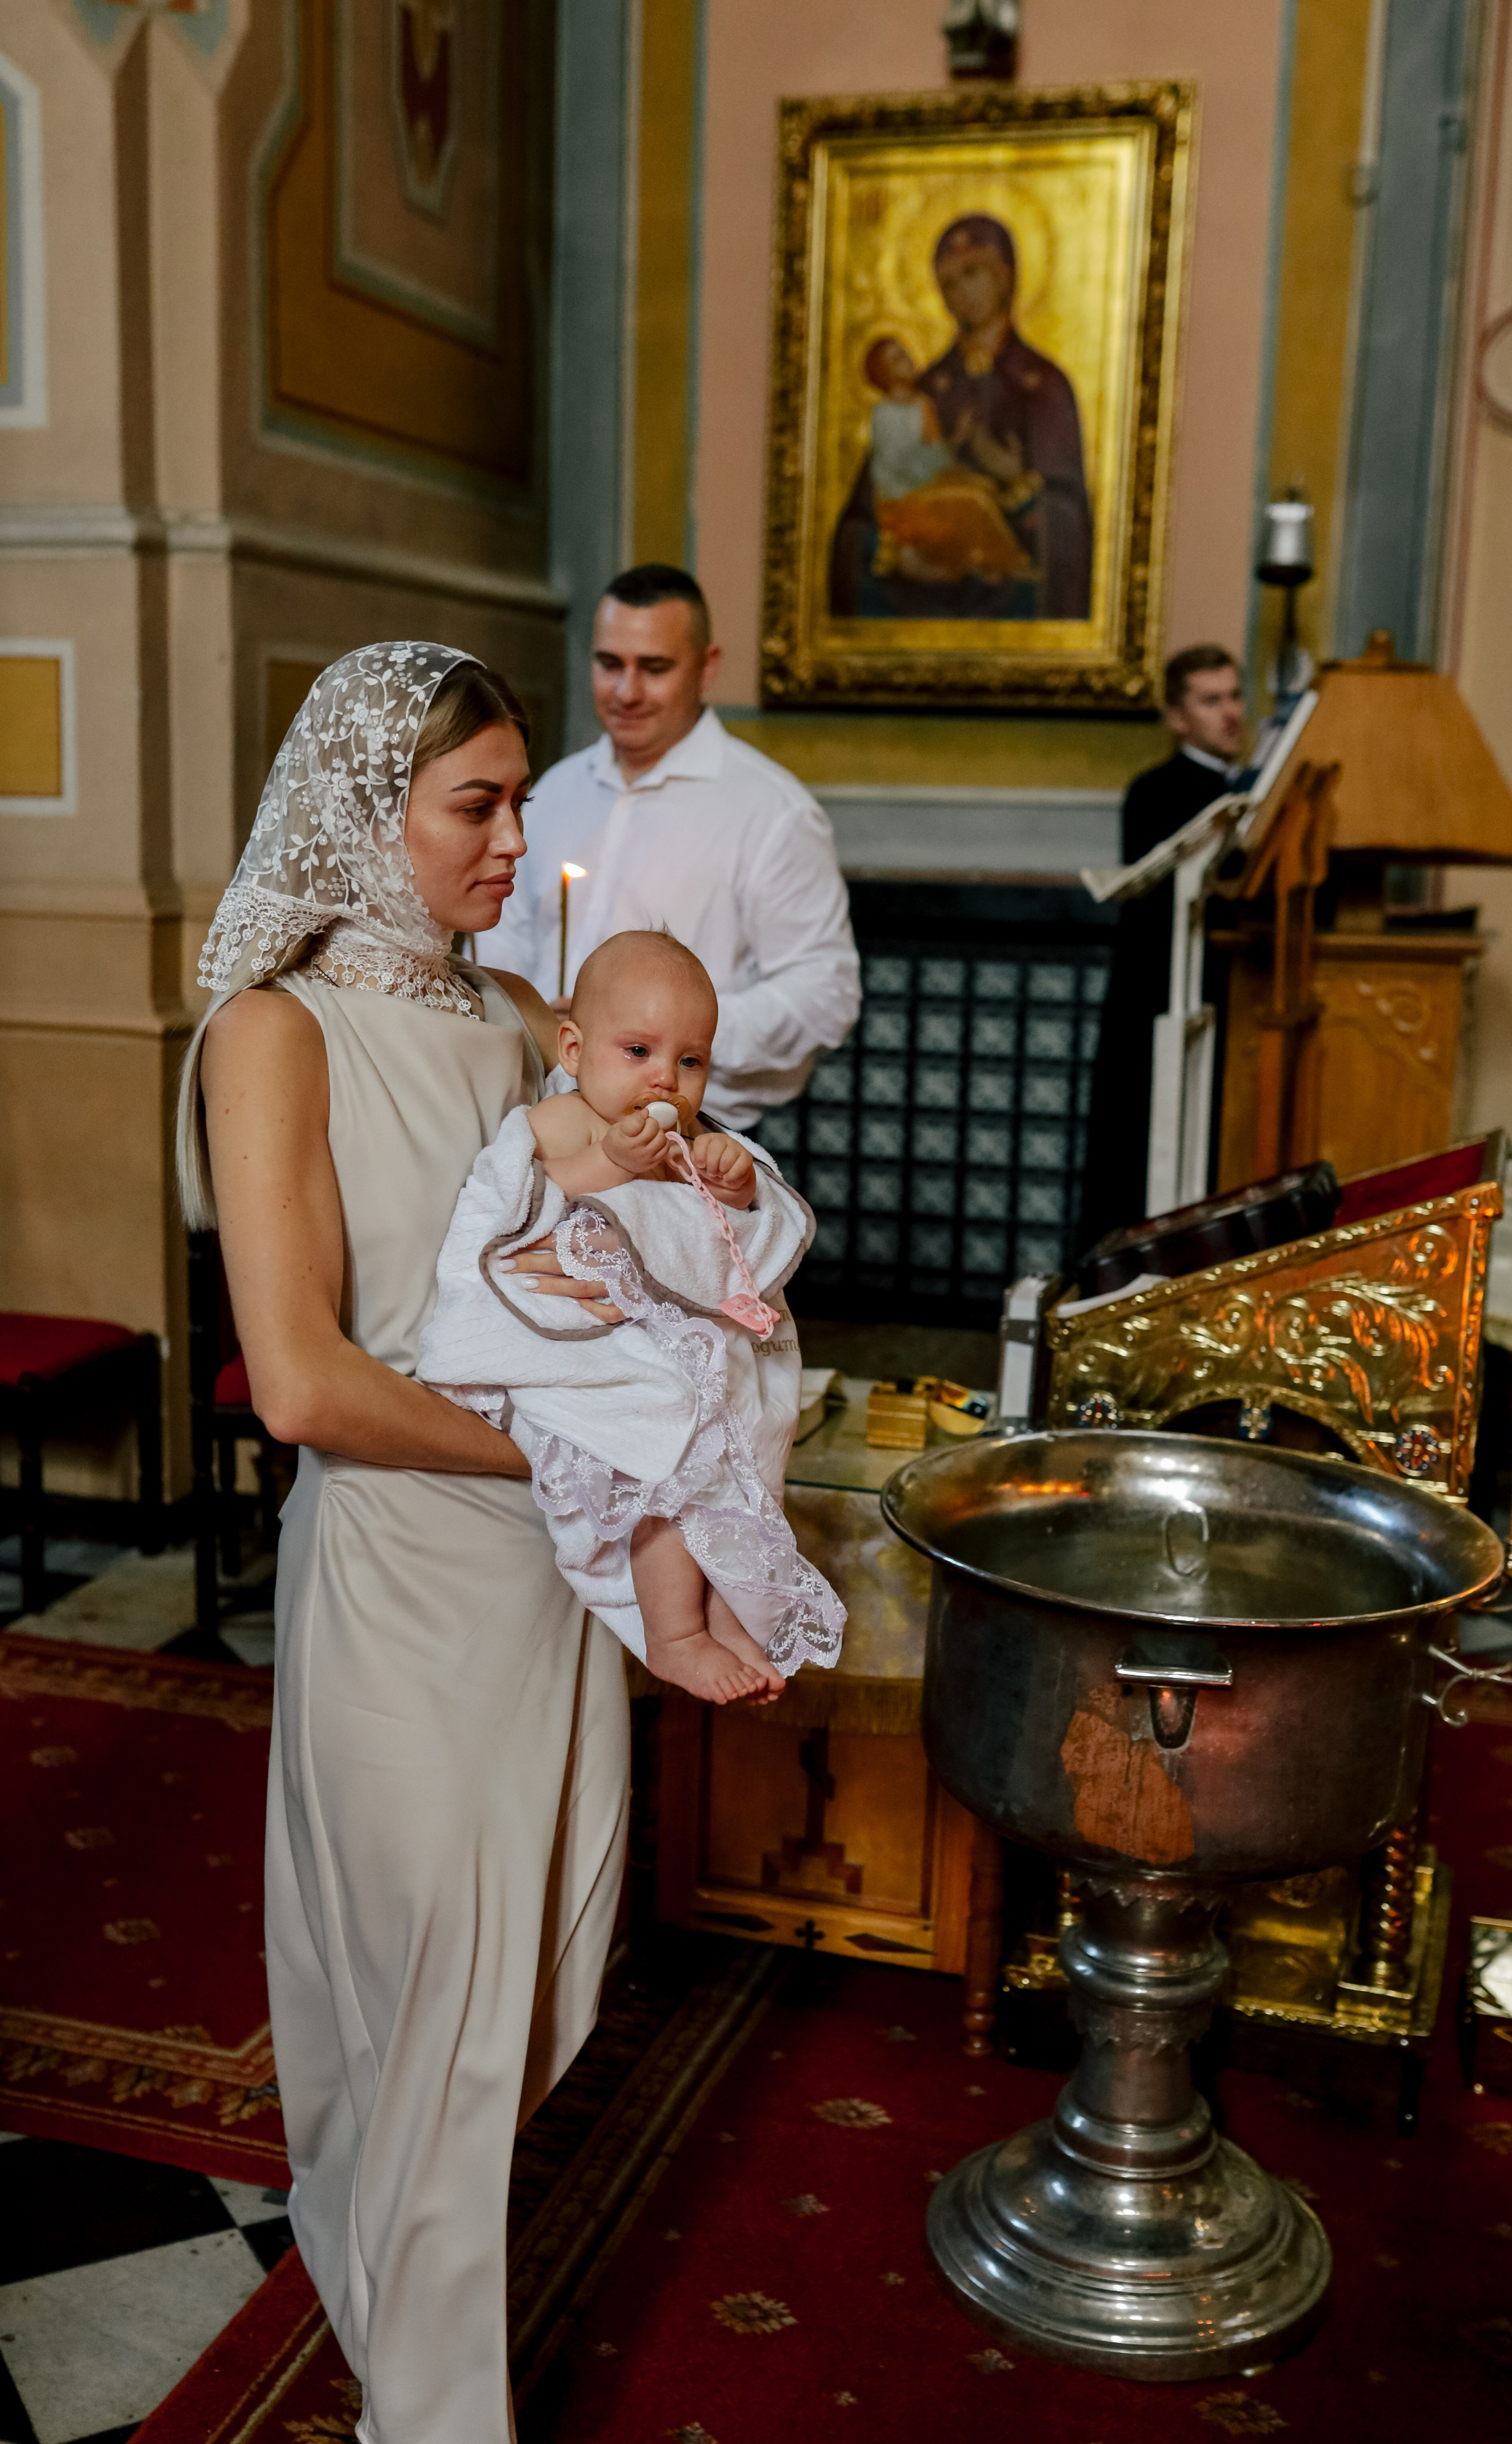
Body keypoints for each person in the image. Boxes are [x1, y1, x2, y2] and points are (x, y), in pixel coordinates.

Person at [176, 643, 632, 2444]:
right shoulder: (272, 1032)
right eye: (480, 803)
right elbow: (300, 1382)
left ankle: (382, 2312)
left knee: (520, 2011)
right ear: (373, 816)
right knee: (426, 2033)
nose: (518, 837)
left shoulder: (513, 1015)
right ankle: (433, 2420)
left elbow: (618, 1233)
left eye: (523, 801)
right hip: (401, 1580)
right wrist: (558, 1452)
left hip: (551, 1592)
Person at [418, 928, 845, 1708]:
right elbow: (527, 1207)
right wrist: (614, 1161)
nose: (666, 1081)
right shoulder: (559, 1124)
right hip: (601, 1350)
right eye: (640, 1051)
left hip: (683, 1336)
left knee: (744, 1442)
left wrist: (735, 1182)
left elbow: (741, 1230)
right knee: (665, 1443)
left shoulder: (690, 1136)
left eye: (690, 1061)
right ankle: (674, 1633)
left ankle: (733, 1606)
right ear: (574, 1049)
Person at [485, 564, 860, 1132]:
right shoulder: (554, 789)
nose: (626, 691)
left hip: (692, 1133)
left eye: (654, 668)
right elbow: (502, 938)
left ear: (707, 667)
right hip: (535, 1117)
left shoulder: (772, 810)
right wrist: (537, 1014)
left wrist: (669, 1039)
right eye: (609, 664)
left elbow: (823, 991)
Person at [830, 214, 1092, 621]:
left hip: (1011, 605)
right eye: (948, 284)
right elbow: (866, 510)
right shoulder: (924, 389)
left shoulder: (1043, 386)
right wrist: (890, 539)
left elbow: (1069, 516)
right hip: (919, 595)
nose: (960, 293)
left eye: (973, 274)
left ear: (1005, 277)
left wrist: (1017, 483)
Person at [1078, 645, 1249, 1248]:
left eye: (1234, 696)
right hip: (1157, 994)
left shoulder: (1251, 788)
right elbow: (1159, 903)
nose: (1231, 713)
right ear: (1178, 717)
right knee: (1143, 1147)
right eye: (1212, 700)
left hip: (1224, 992)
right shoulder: (1154, 791)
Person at [863, 333, 1036, 587]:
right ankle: (1012, 563)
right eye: (897, 359)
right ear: (883, 373)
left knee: (982, 486)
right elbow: (903, 467)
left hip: (926, 487)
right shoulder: (885, 414)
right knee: (973, 501)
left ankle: (981, 558)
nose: (908, 360)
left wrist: (958, 438)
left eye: (905, 353)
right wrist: (941, 463)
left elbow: (938, 457)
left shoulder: (923, 404)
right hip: (902, 502)